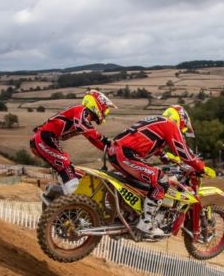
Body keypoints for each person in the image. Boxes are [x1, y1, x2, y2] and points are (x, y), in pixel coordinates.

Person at [107, 105, 205, 236]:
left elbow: (145, 139)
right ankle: (146, 224)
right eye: (183, 128)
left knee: (143, 184)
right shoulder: (169, 124)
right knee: (161, 180)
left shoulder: (157, 121)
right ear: (180, 119)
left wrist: (164, 156)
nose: (182, 130)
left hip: (116, 152)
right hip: (126, 154)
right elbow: (183, 152)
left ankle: (128, 216)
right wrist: (200, 166)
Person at [30, 90, 116, 195]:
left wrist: (110, 149)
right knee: (65, 166)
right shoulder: (82, 110)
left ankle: (59, 193)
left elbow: (91, 137)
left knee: (68, 169)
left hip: (43, 138)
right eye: (105, 110)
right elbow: (85, 128)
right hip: (45, 137)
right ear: (98, 104)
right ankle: (74, 197)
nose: (105, 113)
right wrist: (105, 140)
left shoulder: (84, 115)